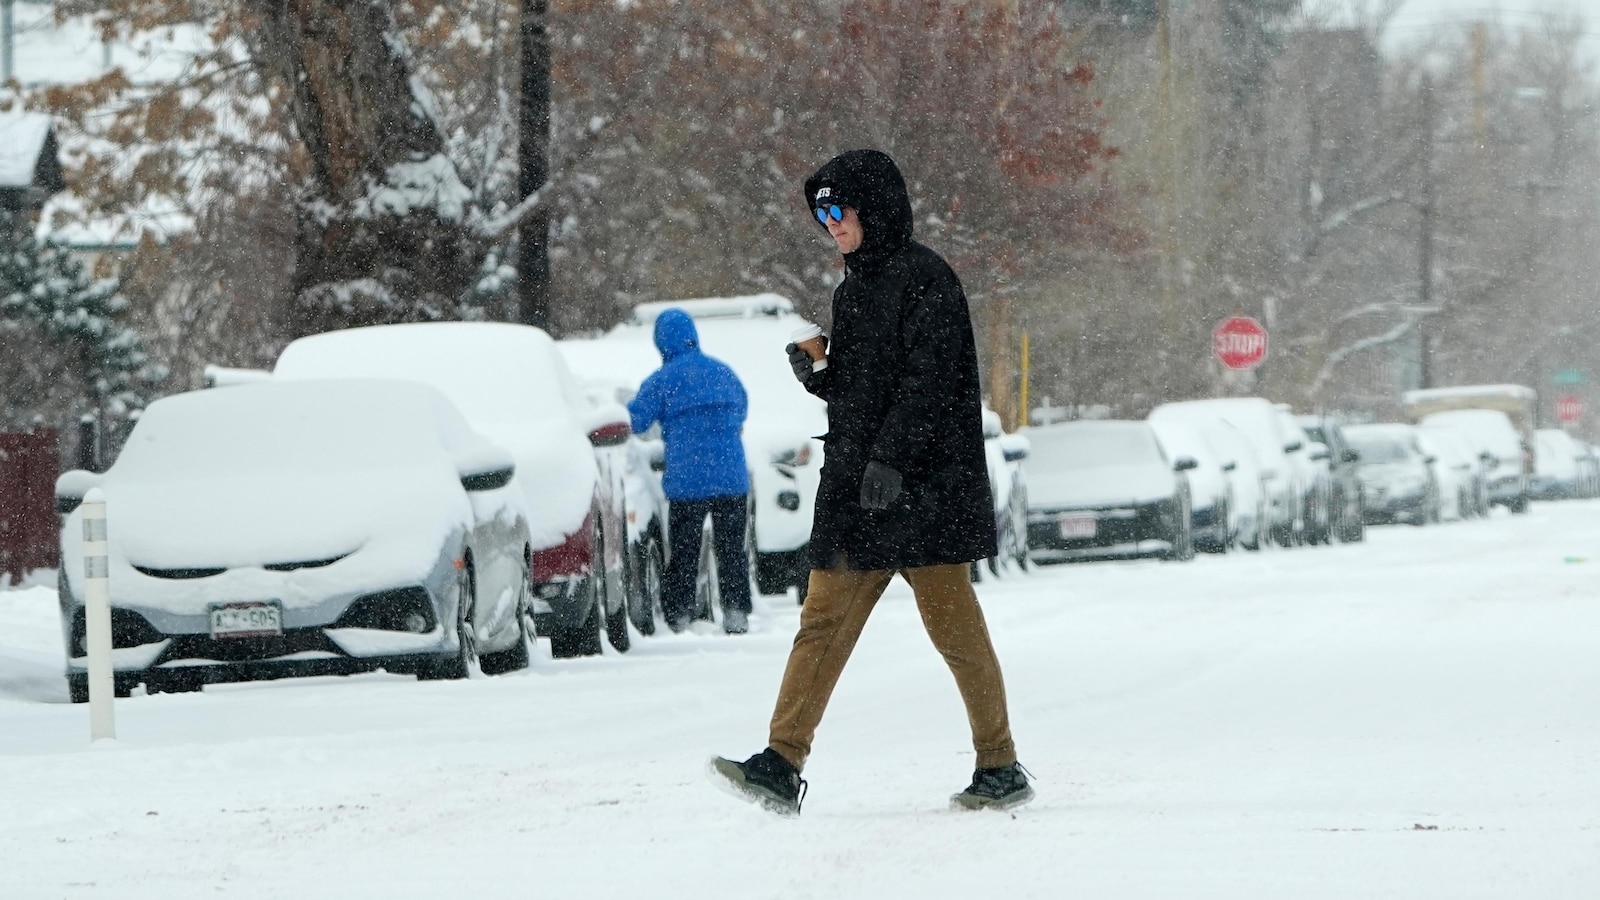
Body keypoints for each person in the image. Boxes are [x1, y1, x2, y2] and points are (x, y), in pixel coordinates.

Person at [709, 149, 1031, 814]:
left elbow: (930, 385)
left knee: (955, 629)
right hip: (863, 492)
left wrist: (891, 458)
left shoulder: (926, 280)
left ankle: (999, 764)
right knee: (821, 619)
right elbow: (866, 389)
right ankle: (779, 761)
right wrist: (823, 377)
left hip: (924, 490)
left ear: (874, 208)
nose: (829, 222)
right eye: (820, 211)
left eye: (838, 208)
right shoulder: (853, 290)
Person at [627, 308, 754, 635]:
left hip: (688, 480)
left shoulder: (662, 381)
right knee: (731, 549)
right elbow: (741, 408)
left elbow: (636, 421)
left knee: (684, 550)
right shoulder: (723, 372)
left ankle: (679, 614)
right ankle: (736, 611)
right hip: (730, 476)